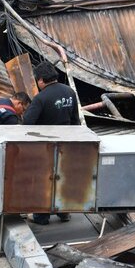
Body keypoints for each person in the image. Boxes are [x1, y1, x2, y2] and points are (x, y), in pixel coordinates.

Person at [23, 61, 80, 225]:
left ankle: (42, 217)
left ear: (41, 80)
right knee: (62, 178)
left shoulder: (41, 98)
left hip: (45, 147)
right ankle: (64, 212)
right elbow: (76, 121)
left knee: (43, 180)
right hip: (67, 145)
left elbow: (27, 122)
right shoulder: (70, 92)